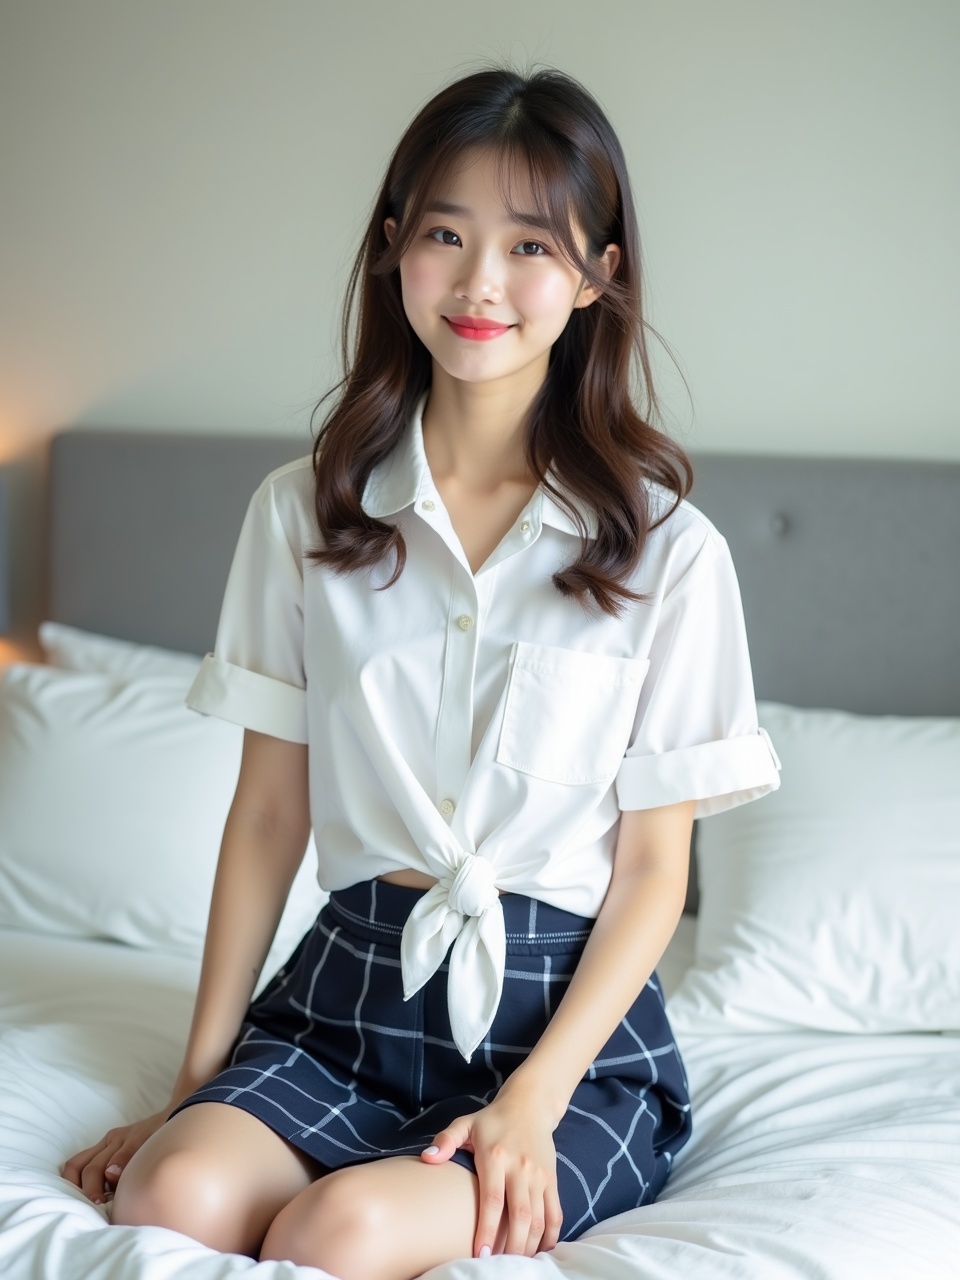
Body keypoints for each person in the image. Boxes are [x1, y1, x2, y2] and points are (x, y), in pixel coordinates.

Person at [62, 64, 781, 1279]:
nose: (482, 283)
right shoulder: (301, 514)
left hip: (566, 1036)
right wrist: (191, 1089)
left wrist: (534, 1104)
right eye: (446, 234)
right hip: (341, 992)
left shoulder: (671, 551)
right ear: (394, 249)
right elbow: (269, 814)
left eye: (533, 245)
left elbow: (657, 868)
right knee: (169, 1196)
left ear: (599, 273)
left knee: (336, 1234)